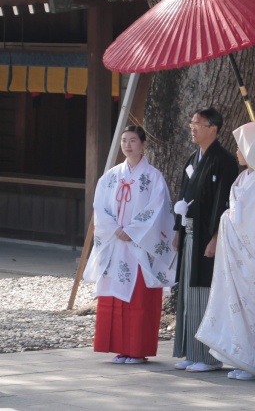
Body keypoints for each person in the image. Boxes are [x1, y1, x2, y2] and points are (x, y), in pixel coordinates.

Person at [195, 116, 255, 380]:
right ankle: (241, 357)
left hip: (254, 254)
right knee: (237, 305)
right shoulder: (242, 179)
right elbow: (235, 214)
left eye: (241, 147)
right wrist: (227, 219)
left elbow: (254, 222)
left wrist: (227, 219)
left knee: (254, 306)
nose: (236, 152)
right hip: (237, 255)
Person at [84, 125, 176, 364]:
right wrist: (115, 229)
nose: (127, 145)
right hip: (115, 242)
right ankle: (119, 347)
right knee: (114, 295)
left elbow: (158, 209)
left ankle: (137, 349)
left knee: (139, 297)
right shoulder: (111, 175)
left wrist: (134, 230)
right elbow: (100, 207)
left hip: (139, 244)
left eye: (133, 140)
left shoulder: (153, 176)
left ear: (143, 144)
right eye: (124, 140)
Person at [173, 108, 239, 373]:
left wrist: (215, 238)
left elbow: (225, 205)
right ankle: (191, 351)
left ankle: (209, 357)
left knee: (204, 293)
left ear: (214, 128)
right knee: (188, 295)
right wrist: (178, 229)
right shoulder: (193, 157)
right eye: (192, 123)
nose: (193, 128)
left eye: (198, 124)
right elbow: (183, 194)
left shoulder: (223, 161)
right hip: (190, 232)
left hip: (208, 236)